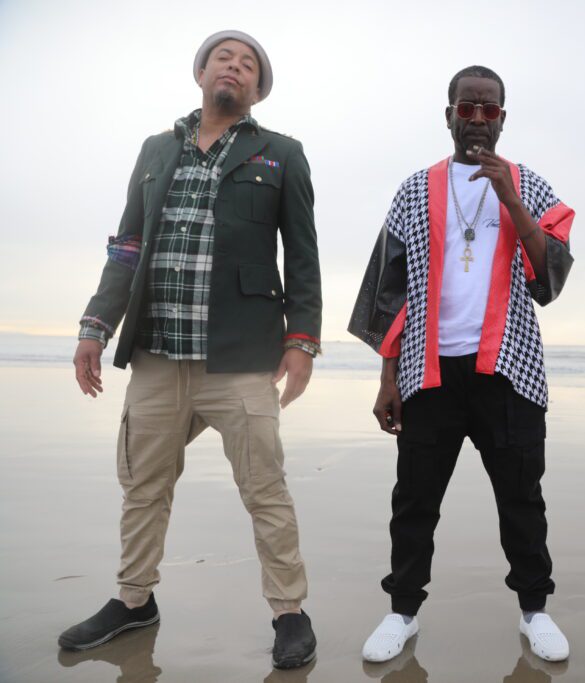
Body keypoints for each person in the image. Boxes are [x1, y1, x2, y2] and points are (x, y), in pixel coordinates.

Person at [60, 30, 321, 670]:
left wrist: (302, 341)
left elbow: (304, 256)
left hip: (240, 357)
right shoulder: (155, 150)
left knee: (266, 490)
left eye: (248, 63)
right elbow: (125, 247)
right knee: (143, 485)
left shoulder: (280, 154)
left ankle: (289, 611)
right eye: (223, 58)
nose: (234, 67)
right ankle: (133, 600)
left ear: (258, 88)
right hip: (156, 353)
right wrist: (96, 325)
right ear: (201, 73)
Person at [348, 65, 575, 664]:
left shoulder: (531, 184)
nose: (477, 119)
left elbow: (550, 278)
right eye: (467, 108)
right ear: (448, 114)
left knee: (522, 498)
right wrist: (387, 379)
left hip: (509, 369)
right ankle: (402, 612)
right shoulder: (415, 188)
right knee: (415, 499)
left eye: (489, 110)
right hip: (429, 372)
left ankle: (535, 612)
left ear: (503, 118)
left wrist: (511, 201)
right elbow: (388, 294)